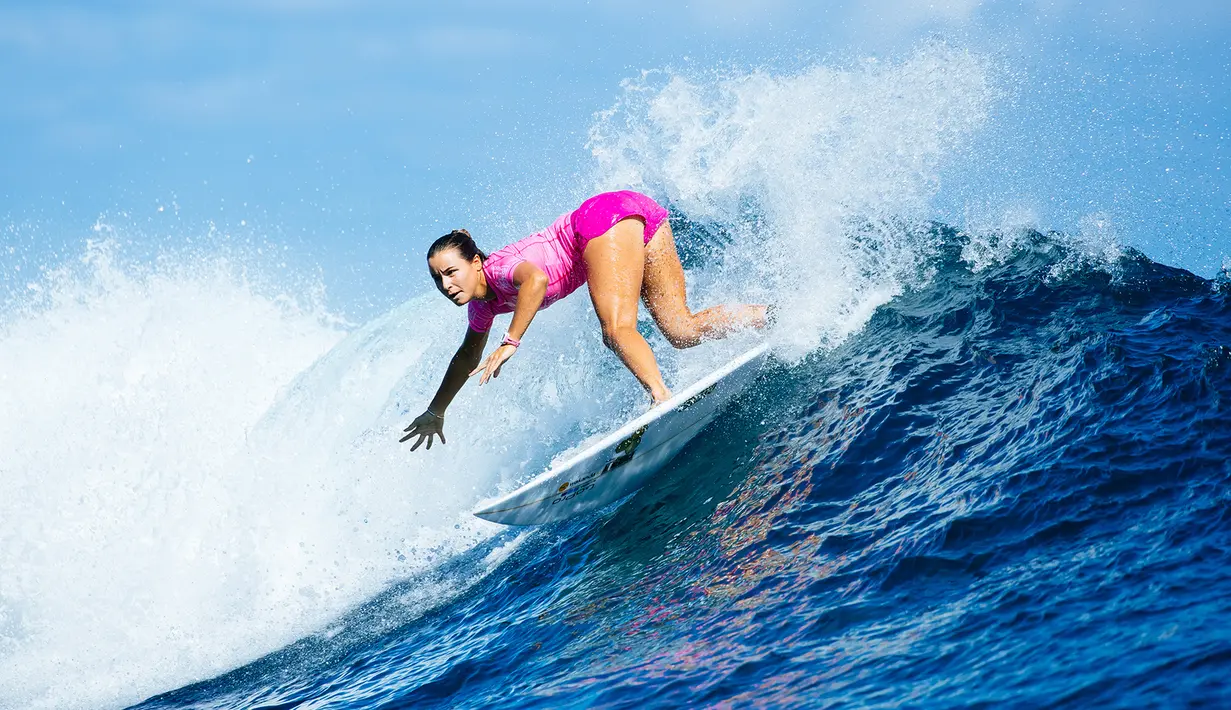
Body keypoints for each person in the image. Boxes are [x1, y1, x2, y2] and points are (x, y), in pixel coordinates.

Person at [400, 190, 768, 450]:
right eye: (438, 279)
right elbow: (466, 356)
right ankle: (769, 316)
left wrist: (510, 341)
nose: (446, 284)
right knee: (681, 330)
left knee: (616, 329)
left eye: (451, 272)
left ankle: (660, 397)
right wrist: (437, 411)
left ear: (475, 263)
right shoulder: (481, 307)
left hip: (602, 219)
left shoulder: (498, 270)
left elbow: (536, 281)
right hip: (631, 215)